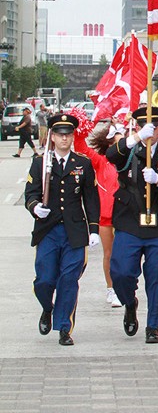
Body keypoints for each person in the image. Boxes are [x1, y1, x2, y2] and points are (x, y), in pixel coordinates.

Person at [106, 106, 158, 344]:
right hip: (129, 221)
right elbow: (111, 155)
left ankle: (153, 325)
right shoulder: (129, 151)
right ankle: (129, 303)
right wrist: (135, 138)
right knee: (120, 273)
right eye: (144, 126)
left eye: (154, 126)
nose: (150, 130)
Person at [24, 113, 101, 346]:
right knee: (45, 280)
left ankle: (65, 327)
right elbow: (31, 193)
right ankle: (48, 308)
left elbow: (91, 198)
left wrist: (94, 228)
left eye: (68, 135)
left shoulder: (82, 163)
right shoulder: (40, 162)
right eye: (60, 135)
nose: (64, 139)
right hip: (48, 230)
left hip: (74, 231)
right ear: (52, 136)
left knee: (69, 279)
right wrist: (36, 207)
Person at [75, 119, 121, 306]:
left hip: (126, 216)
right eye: (116, 142)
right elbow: (82, 148)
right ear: (109, 145)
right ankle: (112, 289)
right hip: (105, 217)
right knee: (109, 254)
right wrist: (81, 129)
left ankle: (125, 287)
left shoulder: (131, 161)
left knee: (124, 255)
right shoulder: (101, 162)